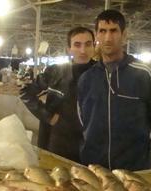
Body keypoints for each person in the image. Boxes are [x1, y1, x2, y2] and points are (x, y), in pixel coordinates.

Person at [78, 10, 151, 170]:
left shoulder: (144, 74)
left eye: (114, 30)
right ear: (97, 36)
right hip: (95, 167)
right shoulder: (87, 78)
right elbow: (83, 119)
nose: (108, 38)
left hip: (133, 169)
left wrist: (139, 147)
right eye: (102, 31)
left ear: (124, 35)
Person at [20, 26, 96, 162]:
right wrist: (47, 116)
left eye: (88, 44)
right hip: (58, 142)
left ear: (94, 46)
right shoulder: (56, 72)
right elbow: (26, 92)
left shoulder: (101, 75)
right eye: (77, 45)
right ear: (69, 49)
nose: (83, 50)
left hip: (89, 145)